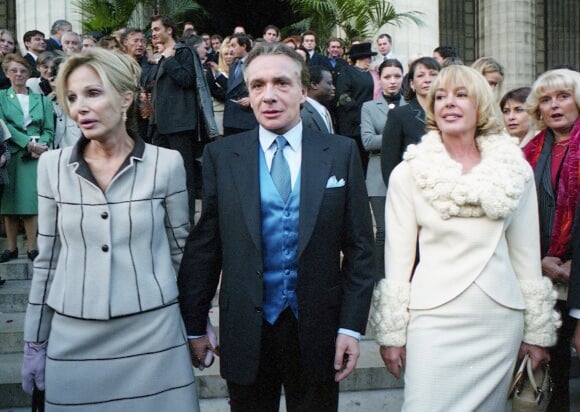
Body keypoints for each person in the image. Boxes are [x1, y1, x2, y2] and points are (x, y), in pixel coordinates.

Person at [178, 42, 375, 412]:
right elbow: (206, 247)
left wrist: (350, 327)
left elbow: (361, 248)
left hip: (318, 330)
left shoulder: (340, 152)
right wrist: (194, 322)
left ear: (303, 91)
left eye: (281, 83)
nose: (268, 96)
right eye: (257, 85)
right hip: (246, 330)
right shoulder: (223, 157)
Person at [21, 47, 200, 411]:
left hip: (154, 334)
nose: (79, 107)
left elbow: (182, 250)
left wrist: (196, 323)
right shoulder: (51, 167)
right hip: (74, 336)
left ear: (125, 99)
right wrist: (35, 342)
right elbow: (48, 260)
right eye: (71, 97)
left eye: (93, 93)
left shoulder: (166, 164)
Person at [372, 64, 559, 411]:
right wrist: (392, 334)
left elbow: (526, 256)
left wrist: (537, 333)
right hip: (434, 317)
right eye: (439, 96)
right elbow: (397, 260)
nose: (448, 103)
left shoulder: (515, 170)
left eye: (461, 95)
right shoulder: (409, 173)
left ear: (481, 105)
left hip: (499, 318)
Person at [523, 68, 580, 412]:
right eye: (546, 99)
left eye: (563, 96)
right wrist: (538, 260)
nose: (554, 106)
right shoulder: (526, 151)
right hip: (539, 272)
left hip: (577, 272)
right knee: (551, 366)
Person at [149, 15, 217, 223]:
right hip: (160, 126)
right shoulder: (161, 56)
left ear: (169, 30)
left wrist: (169, 60)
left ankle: (184, 222)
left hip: (180, 125)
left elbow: (187, 79)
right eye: (152, 30)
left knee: (184, 176)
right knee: (162, 176)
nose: (153, 33)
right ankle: (166, 218)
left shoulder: (184, 52)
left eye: (157, 29)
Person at [0, 54, 53, 263]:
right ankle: (11, 248)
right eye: (14, 70)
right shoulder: (2, 97)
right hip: (11, 154)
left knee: (31, 201)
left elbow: (49, 128)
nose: (19, 74)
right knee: (9, 203)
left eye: (22, 71)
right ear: (7, 74)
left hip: (35, 156)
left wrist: (40, 146)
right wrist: (26, 144)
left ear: (28, 74)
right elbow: (4, 125)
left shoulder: (40, 99)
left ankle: (32, 247)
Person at [361, 59, 405, 281]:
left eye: (397, 76)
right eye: (387, 77)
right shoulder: (369, 107)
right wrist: (398, 134)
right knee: (384, 231)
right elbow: (368, 141)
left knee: (407, 230)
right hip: (378, 176)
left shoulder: (411, 106)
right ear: (380, 78)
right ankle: (379, 280)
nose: (393, 81)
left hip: (407, 175)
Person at [381, 56, 441, 186]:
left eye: (433, 74)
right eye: (420, 75)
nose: (427, 80)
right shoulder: (399, 115)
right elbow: (389, 164)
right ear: (412, 84)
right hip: (412, 188)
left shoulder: (450, 113)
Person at [336, 42, 377, 173]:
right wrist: (360, 113)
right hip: (352, 123)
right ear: (358, 58)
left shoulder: (371, 74)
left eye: (370, 57)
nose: (369, 59)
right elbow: (343, 96)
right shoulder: (347, 71)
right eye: (366, 57)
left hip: (369, 121)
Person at [26, 51, 82, 148]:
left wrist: (59, 89)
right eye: (45, 67)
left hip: (64, 135)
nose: (49, 71)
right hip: (41, 134)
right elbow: (33, 111)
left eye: (52, 68)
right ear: (38, 68)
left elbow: (69, 111)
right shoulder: (32, 83)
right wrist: (51, 95)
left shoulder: (63, 84)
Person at [223, 33, 257, 136]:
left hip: (246, 118)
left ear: (244, 46)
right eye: (229, 46)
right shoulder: (233, 65)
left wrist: (252, 99)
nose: (230, 49)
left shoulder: (254, 64)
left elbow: (260, 86)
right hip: (230, 119)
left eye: (233, 46)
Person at [301, 65, 335, 133]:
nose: (333, 87)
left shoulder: (322, 109)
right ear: (314, 85)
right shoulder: (303, 114)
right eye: (329, 83)